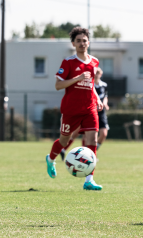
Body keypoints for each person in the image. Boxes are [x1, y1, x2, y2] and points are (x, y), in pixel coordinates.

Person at [45, 27, 104, 190]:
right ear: (73, 43)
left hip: (89, 107)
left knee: (92, 140)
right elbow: (58, 85)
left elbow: (91, 84)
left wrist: (97, 98)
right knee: (64, 140)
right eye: (78, 41)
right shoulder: (68, 62)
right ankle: (50, 159)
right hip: (71, 109)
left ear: (88, 43)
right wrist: (77, 78)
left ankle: (89, 180)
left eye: (84, 40)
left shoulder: (94, 62)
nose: (82, 43)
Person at [59, 67, 110, 160]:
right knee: (79, 133)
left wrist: (105, 103)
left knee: (104, 133)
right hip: (89, 111)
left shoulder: (104, 85)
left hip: (101, 113)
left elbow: (105, 96)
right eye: (95, 72)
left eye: (98, 72)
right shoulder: (89, 84)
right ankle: (66, 150)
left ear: (101, 74)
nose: (96, 74)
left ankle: (89, 154)